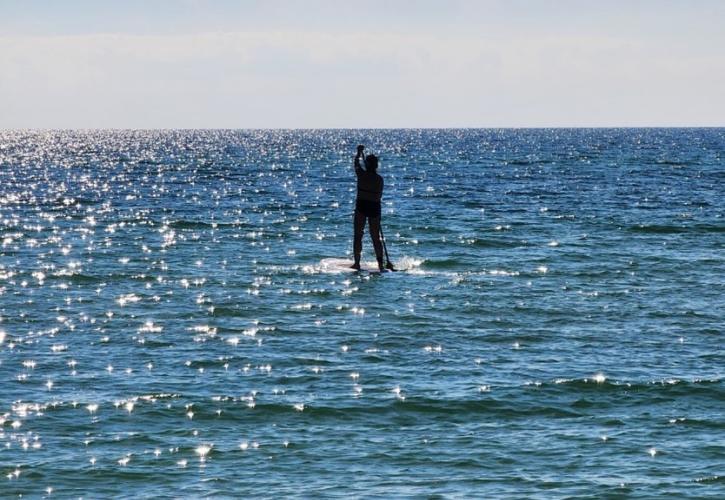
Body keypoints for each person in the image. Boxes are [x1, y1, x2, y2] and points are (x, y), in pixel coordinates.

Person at [351, 145, 385, 271]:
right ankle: (380, 264)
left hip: (362, 206)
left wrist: (358, 153)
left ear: (367, 165)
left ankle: (357, 263)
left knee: (358, 235)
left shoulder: (361, 175)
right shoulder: (379, 179)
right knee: (376, 237)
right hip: (374, 207)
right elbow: (379, 196)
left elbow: (356, 164)